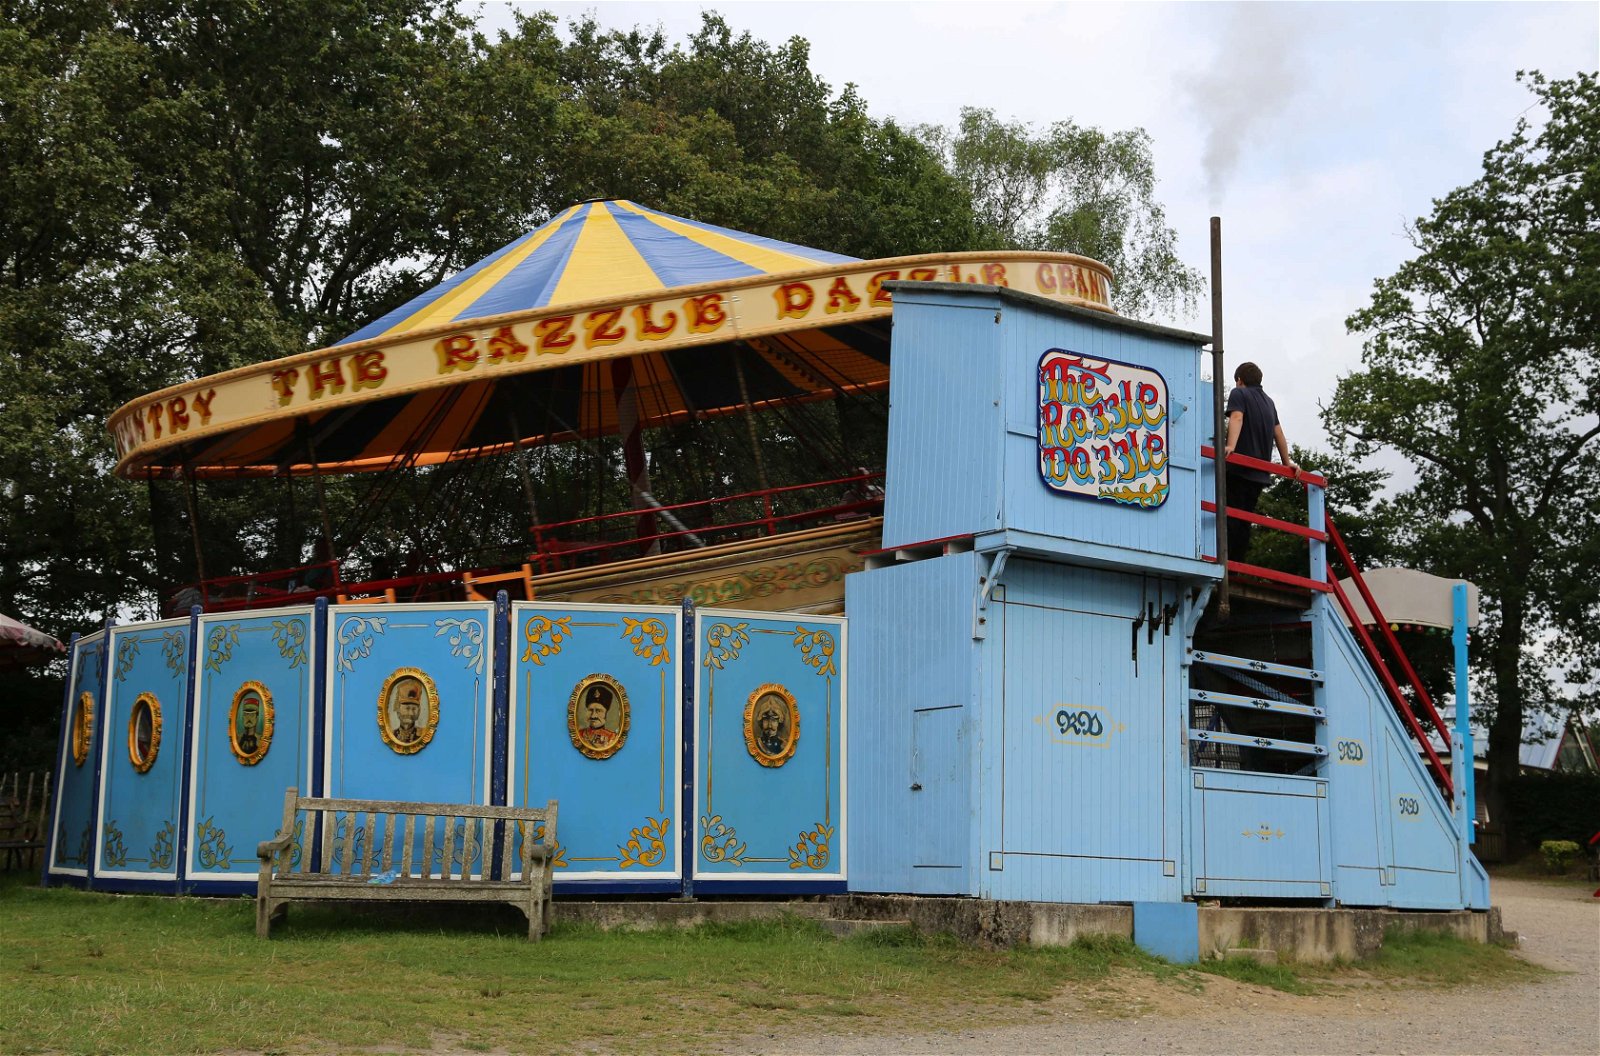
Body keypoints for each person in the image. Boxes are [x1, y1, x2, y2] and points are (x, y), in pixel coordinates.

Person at [1223, 361, 1298, 559]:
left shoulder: (1239, 393)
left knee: (1230, 516)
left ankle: (1225, 562)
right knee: (1244, 521)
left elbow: (1237, 417)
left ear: (1239, 380)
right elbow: (1279, 433)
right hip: (1259, 475)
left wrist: (1230, 446)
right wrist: (1286, 462)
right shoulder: (1269, 402)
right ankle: (1237, 565)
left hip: (1239, 469)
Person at [579, 685, 617, 750]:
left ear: (606, 713)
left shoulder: (612, 737)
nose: (593, 716)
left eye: (598, 711)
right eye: (590, 710)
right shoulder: (580, 734)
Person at [391, 679, 425, 744]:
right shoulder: (392, 735)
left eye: (414, 709)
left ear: (419, 712)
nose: (411, 713)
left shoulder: (423, 734)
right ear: (398, 709)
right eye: (407, 708)